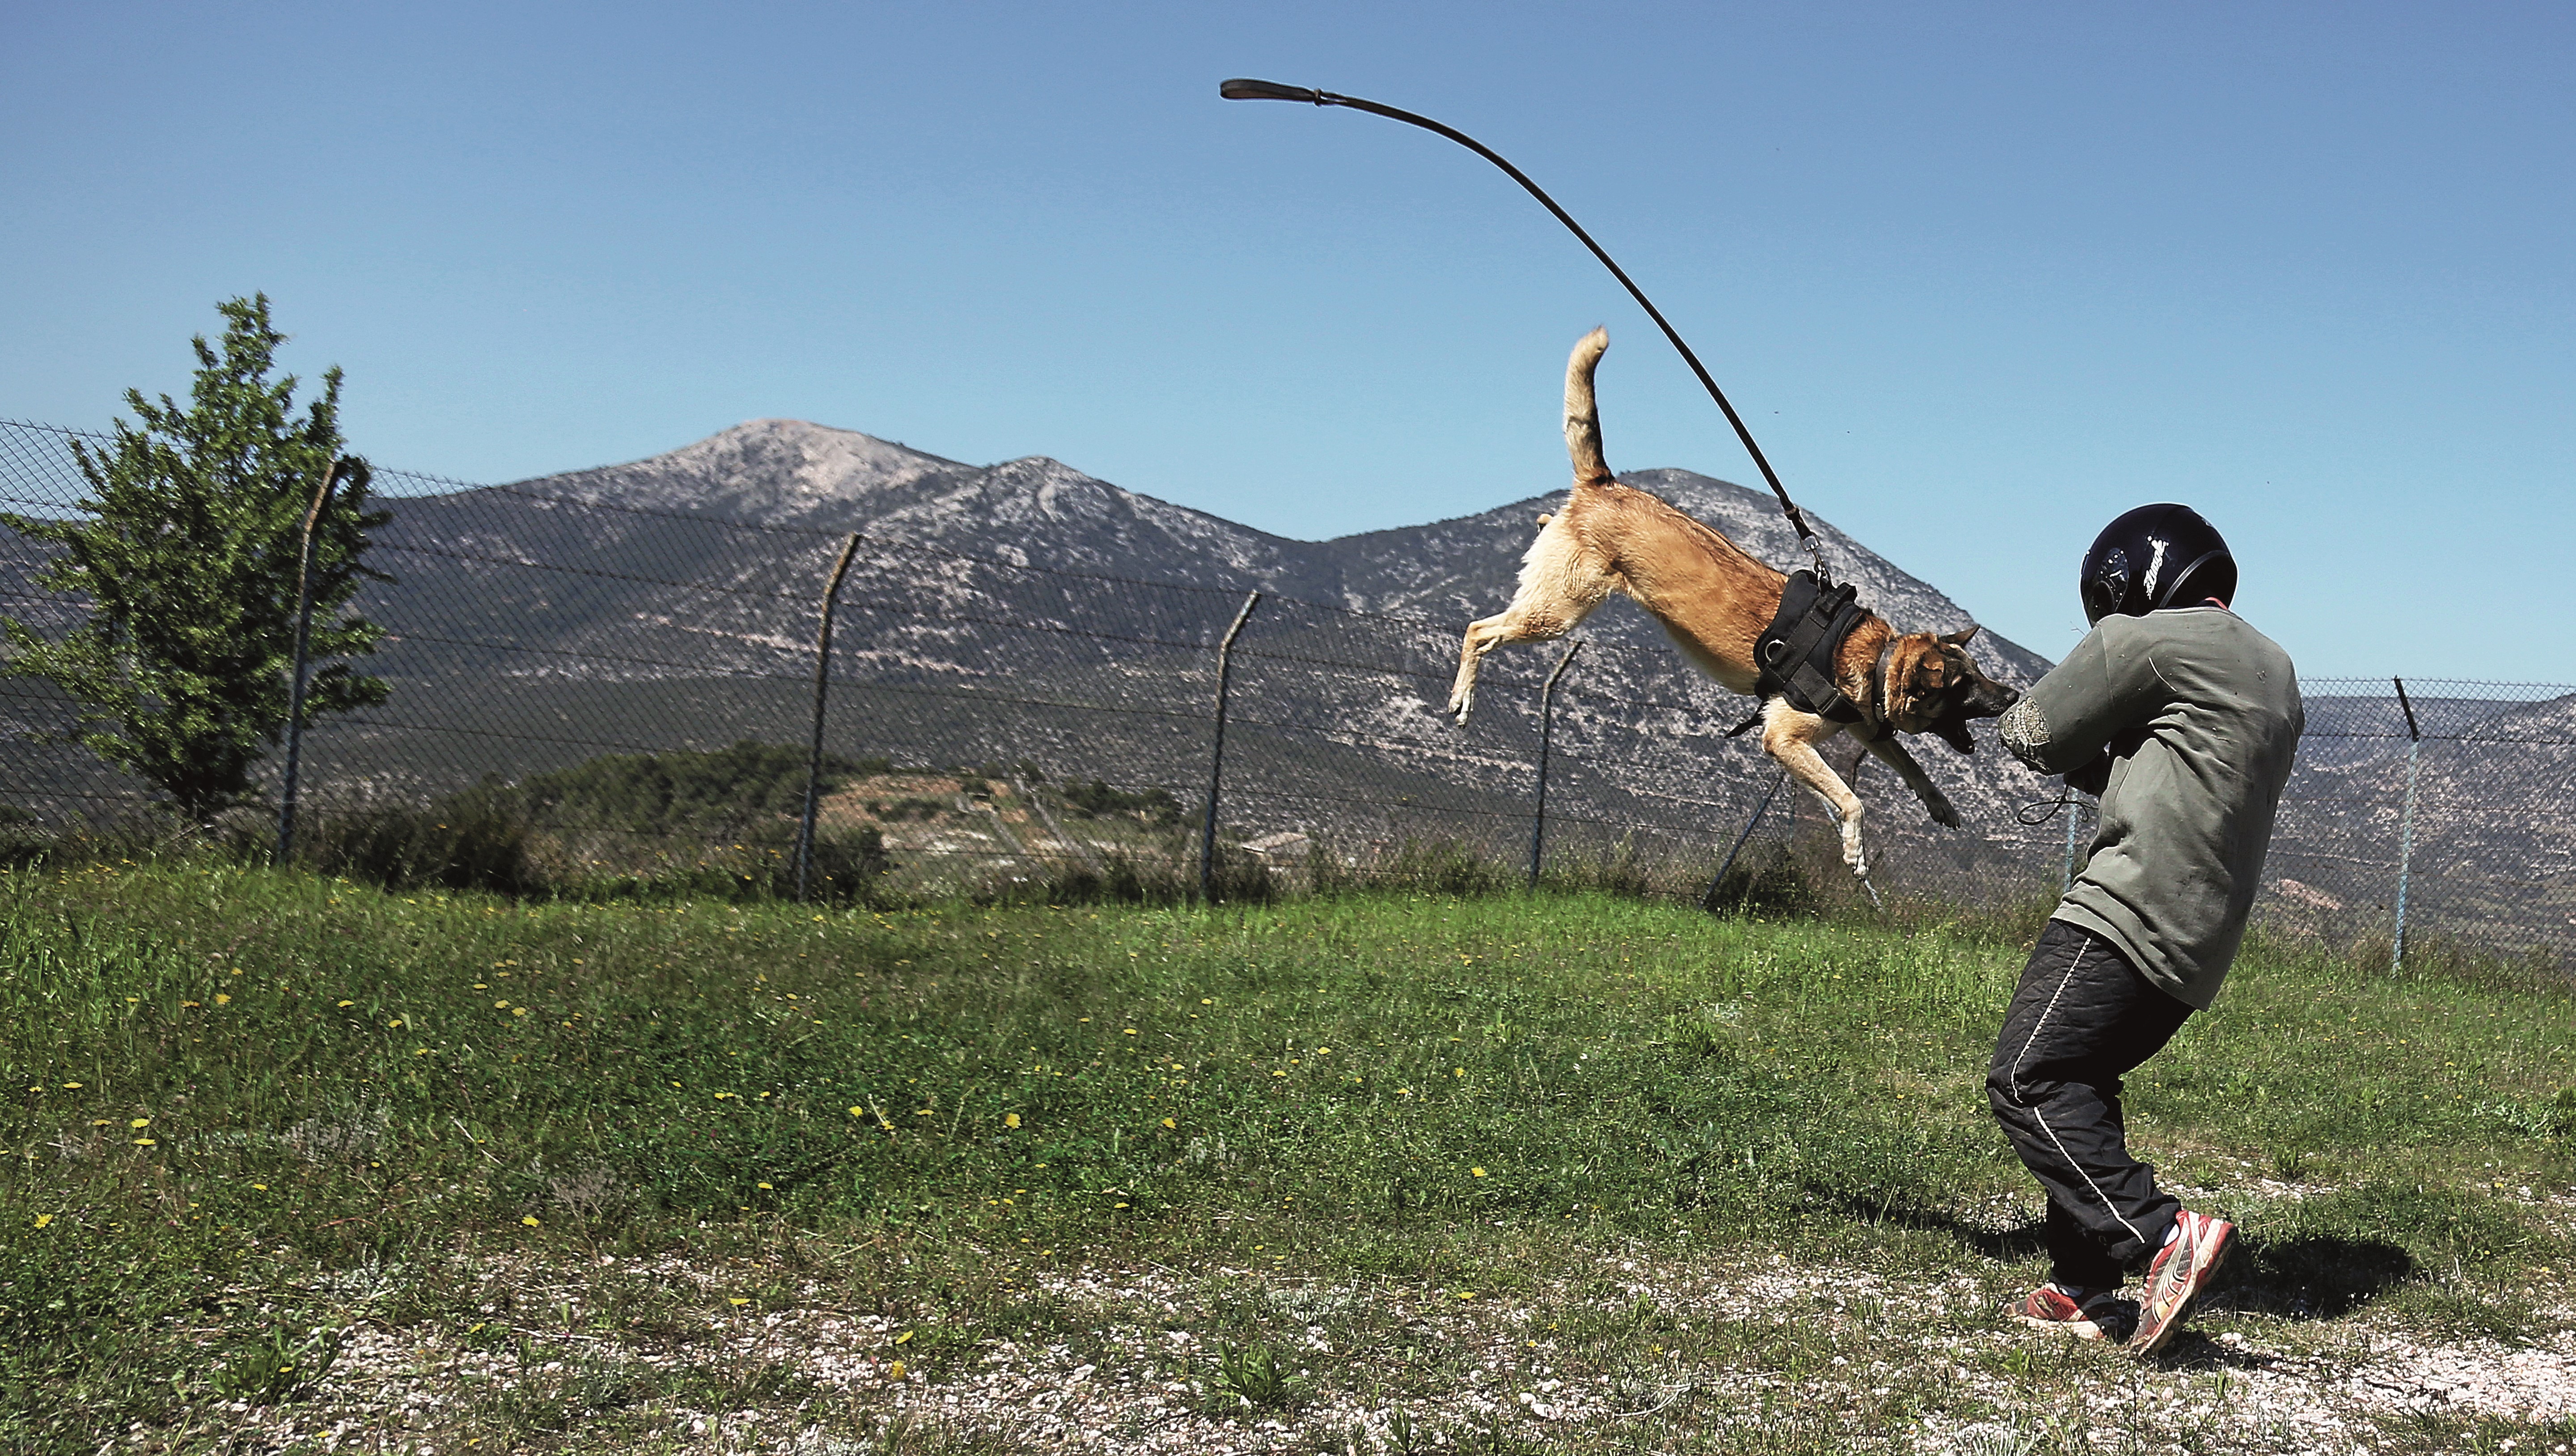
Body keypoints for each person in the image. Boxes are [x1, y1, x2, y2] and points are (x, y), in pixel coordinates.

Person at [1988, 503, 2303, 1355]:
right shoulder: (2274, 670)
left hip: (2121, 912)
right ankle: (2085, 1287)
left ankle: (2165, 1236)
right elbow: (2175, 776)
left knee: (2027, 1078)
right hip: (2200, 942)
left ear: (2130, 584)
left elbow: (2032, 732)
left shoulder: (2148, 640)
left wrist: (1977, 698)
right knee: (2081, 1074)